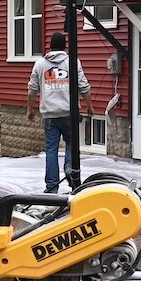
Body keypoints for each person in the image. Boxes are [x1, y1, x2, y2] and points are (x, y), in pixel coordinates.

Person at [25, 31, 93, 193]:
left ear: (50, 46)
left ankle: (52, 187)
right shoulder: (73, 62)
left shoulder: (40, 64)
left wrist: (30, 109)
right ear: (64, 46)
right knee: (72, 144)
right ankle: (71, 171)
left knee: (51, 150)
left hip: (50, 114)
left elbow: (32, 89)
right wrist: (90, 105)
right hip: (70, 113)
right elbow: (83, 86)